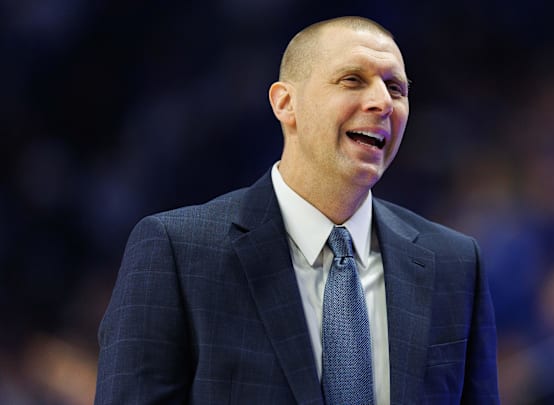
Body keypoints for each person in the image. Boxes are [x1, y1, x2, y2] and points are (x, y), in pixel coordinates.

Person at [94, 16, 498, 404]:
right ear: (286, 103)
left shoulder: (455, 264)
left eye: (395, 88)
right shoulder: (179, 253)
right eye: (352, 80)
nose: (381, 102)